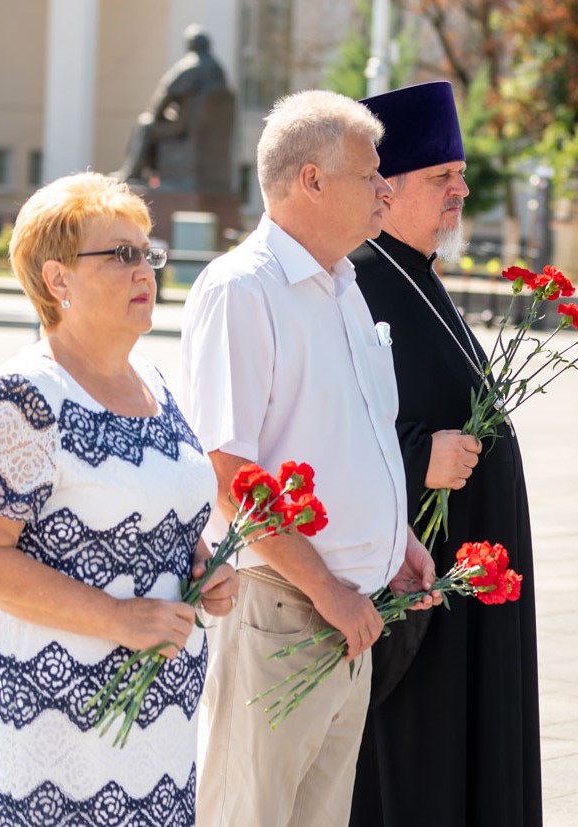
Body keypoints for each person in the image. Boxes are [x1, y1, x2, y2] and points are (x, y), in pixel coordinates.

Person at [0, 171, 237, 825]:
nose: (145, 270)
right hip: (54, 725)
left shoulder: (158, 381)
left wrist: (203, 562)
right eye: (120, 254)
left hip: (157, 727)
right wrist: (118, 617)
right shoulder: (26, 396)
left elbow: (160, 510)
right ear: (58, 280)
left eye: (146, 252)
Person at [180, 90, 439, 827]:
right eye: (370, 174)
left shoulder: (345, 286)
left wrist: (395, 544)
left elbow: (349, 436)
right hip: (285, 614)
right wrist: (328, 586)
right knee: (248, 814)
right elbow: (231, 477)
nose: (386, 189)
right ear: (311, 181)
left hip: (343, 611)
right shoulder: (243, 290)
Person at [347, 81, 542, 827]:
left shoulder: (420, 275)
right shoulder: (360, 282)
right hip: (418, 583)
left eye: (459, 174)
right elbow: (328, 433)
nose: (461, 188)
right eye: (441, 177)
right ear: (384, 190)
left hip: (469, 576)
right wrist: (415, 458)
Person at [115, 24, 229, 183]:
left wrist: (156, 115)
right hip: (207, 133)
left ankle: (133, 173)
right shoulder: (219, 70)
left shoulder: (190, 66)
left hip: (184, 127)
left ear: (190, 45)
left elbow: (165, 93)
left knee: (146, 125)